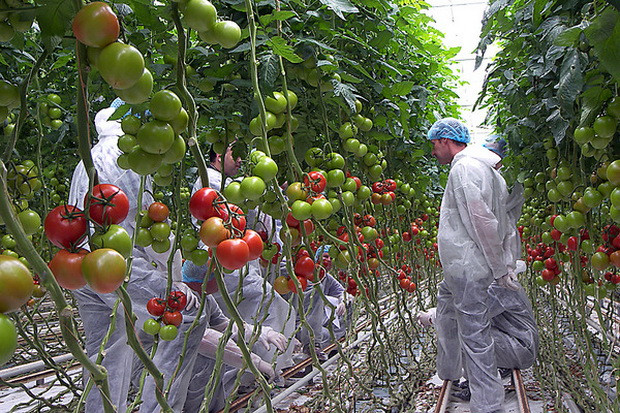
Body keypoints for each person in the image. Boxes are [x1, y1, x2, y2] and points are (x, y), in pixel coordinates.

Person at [68, 101, 206, 412]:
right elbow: (147, 225)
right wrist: (175, 274)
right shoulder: (125, 158)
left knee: (105, 352)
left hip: (82, 269)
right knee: (188, 320)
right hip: (116, 269)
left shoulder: (89, 158)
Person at [422, 118, 521, 413]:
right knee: (446, 312)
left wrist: (500, 267)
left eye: (433, 145)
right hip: (460, 265)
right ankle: (450, 371)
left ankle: (488, 402)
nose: (432, 152)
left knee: (474, 332)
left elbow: (483, 223)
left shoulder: (465, 169)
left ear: (445, 140)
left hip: (469, 265)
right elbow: (507, 220)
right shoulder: (485, 170)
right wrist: (504, 260)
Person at [189, 146, 297, 372]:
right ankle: (256, 370)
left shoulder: (229, 183)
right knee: (258, 304)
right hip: (225, 256)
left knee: (252, 308)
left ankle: (260, 367)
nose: (239, 160)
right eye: (233, 154)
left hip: (235, 255)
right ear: (218, 155)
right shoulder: (213, 182)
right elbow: (234, 214)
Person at [181, 262, 287, 411]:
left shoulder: (205, 298)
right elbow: (204, 339)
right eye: (218, 274)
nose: (223, 278)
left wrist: (260, 331)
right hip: (178, 375)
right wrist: (255, 363)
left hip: (198, 375)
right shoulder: (184, 300)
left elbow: (225, 326)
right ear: (205, 277)